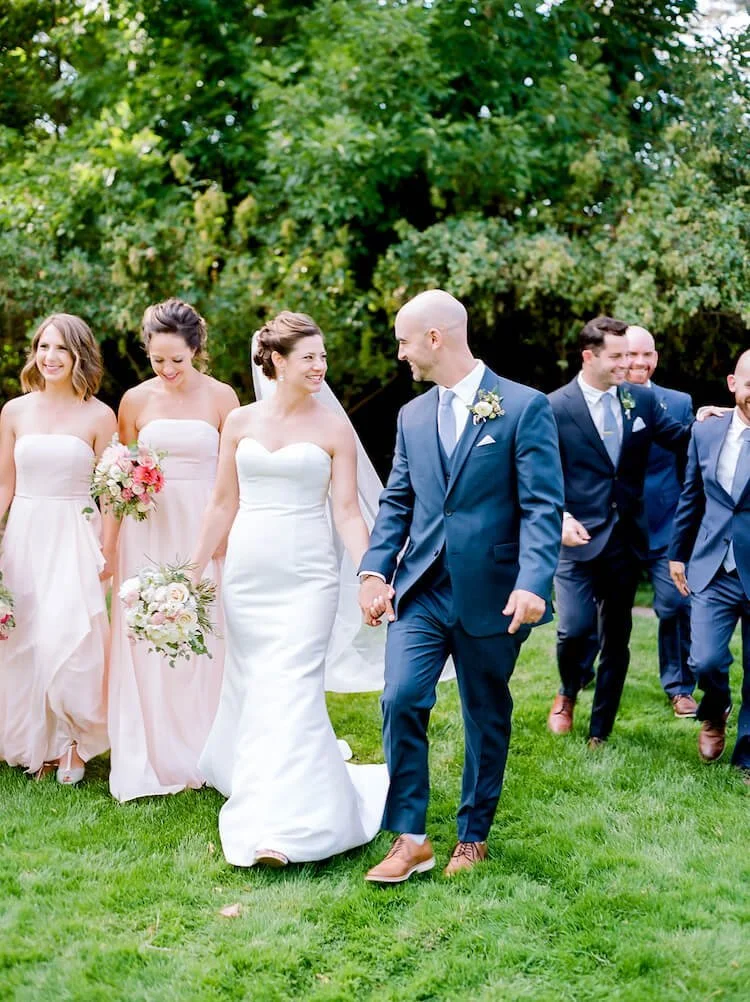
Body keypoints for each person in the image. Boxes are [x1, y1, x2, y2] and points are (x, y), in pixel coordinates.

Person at [359, 289, 564, 882]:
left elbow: (543, 505)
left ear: (434, 338)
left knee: (484, 712)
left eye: (402, 341)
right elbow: (398, 501)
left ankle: (473, 835)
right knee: (400, 697)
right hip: (421, 587)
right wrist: (375, 570)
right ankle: (411, 837)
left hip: (495, 592)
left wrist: (533, 583)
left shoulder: (523, 407)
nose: (400, 355)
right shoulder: (412, 416)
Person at [190, 311, 388, 868]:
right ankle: (267, 788)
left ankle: (289, 826)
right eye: (309, 358)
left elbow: (348, 512)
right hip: (249, 574)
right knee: (258, 685)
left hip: (309, 576)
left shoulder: (332, 428)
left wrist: (369, 572)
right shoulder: (240, 423)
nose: (320, 367)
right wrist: (189, 569)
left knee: (295, 685)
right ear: (276, 361)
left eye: (323, 357)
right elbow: (222, 503)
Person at [108, 298, 239, 802]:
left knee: (208, 633)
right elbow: (120, 477)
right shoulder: (135, 402)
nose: (166, 370)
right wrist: (113, 543)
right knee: (148, 634)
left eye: (176, 361)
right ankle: (152, 752)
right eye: (157, 360)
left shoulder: (224, 398)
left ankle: (208, 746)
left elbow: (236, 475)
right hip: (150, 528)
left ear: (197, 350)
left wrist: (230, 530)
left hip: (206, 526)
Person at [547, 316, 692, 747]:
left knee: (618, 638)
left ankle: (600, 730)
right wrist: (560, 517)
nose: (627, 365)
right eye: (618, 357)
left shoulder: (639, 402)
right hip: (575, 539)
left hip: (626, 538)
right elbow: (538, 473)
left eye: (631, 355)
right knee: (575, 629)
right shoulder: (554, 407)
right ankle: (569, 691)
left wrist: (721, 422)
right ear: (589, 356)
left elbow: (681, 440)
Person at [0, 313, 117, 784]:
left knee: (68, 637)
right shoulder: (14, 411)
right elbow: (5, 484)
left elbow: (110, 492)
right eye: (43, 347)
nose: (49, 357)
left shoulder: (99, 415)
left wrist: (106, 549)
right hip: (25, 531)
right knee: (25, 637)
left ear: (79, 356)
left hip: (74, 532)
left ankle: (73, 742)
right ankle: (33, 740)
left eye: (61, 350)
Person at [669, 351, 750, 781]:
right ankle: (715, 710)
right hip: (712, 565)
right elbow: (691, 496)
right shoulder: (706, 430)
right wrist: (677, 554)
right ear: (733, 383)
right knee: (705, 660)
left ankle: (748, 754)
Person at [626, 325, 696, 716]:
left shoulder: (678, 401)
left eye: (647, 354)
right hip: (614, 526)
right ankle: (578, 676)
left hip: (666, 522)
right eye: (631, 354)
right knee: (593, 615)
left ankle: (680, 686)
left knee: (673, 607)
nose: (640, 362)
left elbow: (691, 462)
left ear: (656, 357)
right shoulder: (599, 401)